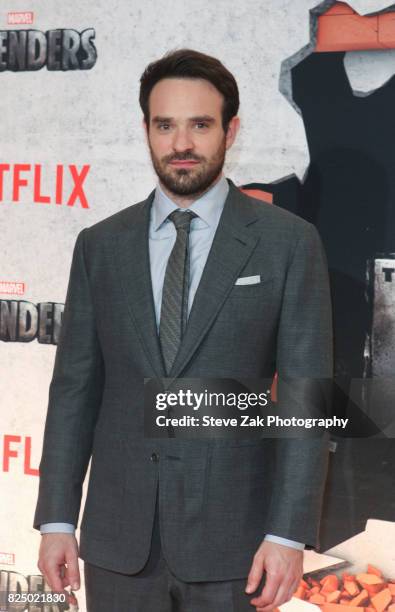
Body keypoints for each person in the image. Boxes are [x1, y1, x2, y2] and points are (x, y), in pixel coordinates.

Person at [34, 49, 333, 611]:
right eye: (165, 125)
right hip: (118, 543)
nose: (181, 143)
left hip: (238, 544)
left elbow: (305, 396)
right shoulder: (100, 246)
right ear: (145, 129)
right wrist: (56, 517)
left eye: (200, 124)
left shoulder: (288, 242)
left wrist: (288, 533)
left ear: (231, 130)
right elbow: (74, 389)